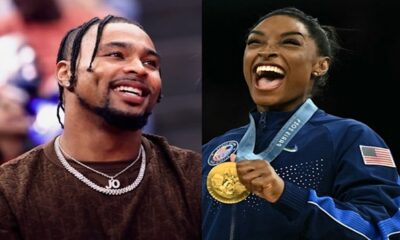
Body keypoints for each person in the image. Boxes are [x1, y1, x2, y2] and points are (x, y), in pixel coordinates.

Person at [202, 7, 400, 240]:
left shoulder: (350, 137)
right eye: (255, 43)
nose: (267, 51)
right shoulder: (212, 150)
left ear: (321, 65)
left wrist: (286, 194)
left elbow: (384, 229)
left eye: (290, 43)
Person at [0, 15, 200, 239]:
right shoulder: (9, 190)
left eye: (150, 63)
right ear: (65, 73)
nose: (140, 69)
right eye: (116, 55)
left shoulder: (193, 175)